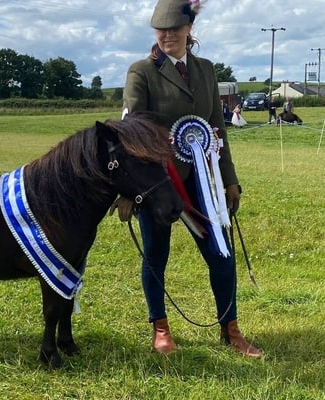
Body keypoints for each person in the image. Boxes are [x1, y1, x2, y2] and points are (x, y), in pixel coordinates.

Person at [119, 0, 261, 358]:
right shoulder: (141, 72)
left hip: (202, 181)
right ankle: (161, 329)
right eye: (160, 30)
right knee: (156, 255)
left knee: (221, 252)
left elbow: (218, 129)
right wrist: (127, 190)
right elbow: (133, 131)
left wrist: (229, 179)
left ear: (188, 30)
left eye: (174, 29)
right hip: (158, 183)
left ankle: (230, 329)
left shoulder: (206, 71)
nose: (167, 35)